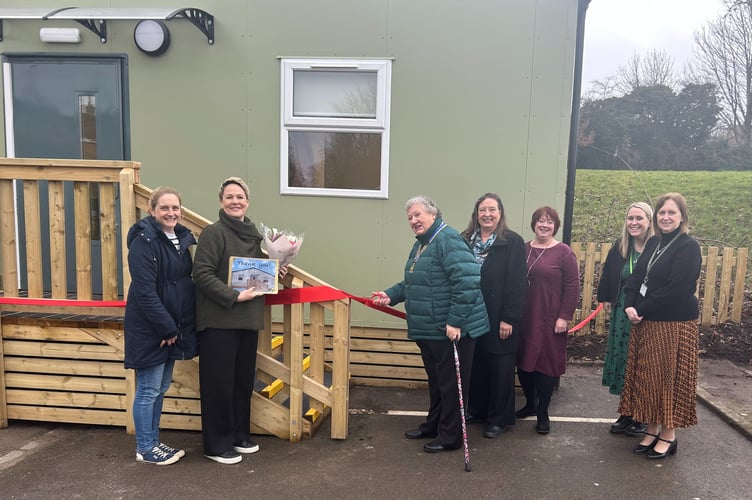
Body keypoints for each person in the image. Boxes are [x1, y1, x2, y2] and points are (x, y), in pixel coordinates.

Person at [371, 195, 489, 453]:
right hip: (431, 330)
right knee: (438, 383)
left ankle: (450, 437)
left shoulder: (448, 240)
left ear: (433, 214)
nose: (413, 220)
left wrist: (456, 321)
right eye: (410, 217)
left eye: (418, 215)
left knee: (450, 385)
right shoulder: (424, 243)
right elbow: (415, 281)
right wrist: (391, 294)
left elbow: (468, 281)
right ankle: (434, 425)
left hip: (451, 331)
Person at [193, 177, 284, 465]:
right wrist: (233, 296)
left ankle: (238, 435)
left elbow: (258, 273)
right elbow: (202, 274)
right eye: (230, 197)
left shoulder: (257, 236)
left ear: (248, 201)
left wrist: (275, 272)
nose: (235, 201)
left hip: (247, 320)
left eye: (240, 197)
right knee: (218, 385)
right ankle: (216, 444)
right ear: (221, 202)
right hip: (219, 320)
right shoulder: (213, 233)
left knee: (242, 383)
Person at [621, 193, 702, 460]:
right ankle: (652, 428)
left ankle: (669, 434)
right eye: (662, 213)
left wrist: (641, 308)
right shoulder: (655, 242)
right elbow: (635, 278)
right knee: (649, 379)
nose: (665, 218)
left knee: (668, 380)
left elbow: (677, 289)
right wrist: (629, 305)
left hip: (674, 324)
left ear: (682, 218)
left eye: (672, 213)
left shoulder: (688, 247)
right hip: (647, 322)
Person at [124, 187, 198, 465]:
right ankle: (145, 447)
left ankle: (153, 441)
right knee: (148, 389)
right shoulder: (144, 242)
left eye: (175, 208)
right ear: (151, 210)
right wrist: (167, 329)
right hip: (152, 329)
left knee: (161, 386)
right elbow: (144, 291)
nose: (171, 213)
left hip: (171, 328)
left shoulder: (179, 238)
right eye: (164, 208)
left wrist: (175, 328)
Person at [460, 193, 526, 439]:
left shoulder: (512, 242)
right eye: (482, 210)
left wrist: (509, 318)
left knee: (500, 368)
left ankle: (499, 418)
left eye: (492, 210)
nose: (487, 214)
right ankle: (476, 409)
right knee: (476, 365)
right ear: (476, 214)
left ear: (500, 213)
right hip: (471, 316)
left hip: (500, 316)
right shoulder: (465, 240)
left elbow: (517, 283)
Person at [515, 206, 580, 434]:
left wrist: (564, 316)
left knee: (545, 365)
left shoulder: (564, 253)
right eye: (540, 221)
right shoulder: (522, 250)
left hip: (550, 319)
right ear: (534, 224)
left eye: (549, 222)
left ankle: (543, 412)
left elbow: (573, 287)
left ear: (555, 226)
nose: (544, 225)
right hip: (524, 317)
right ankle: (530, 405)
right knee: (523, 363)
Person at [597, 202, 654, 437]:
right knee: (624, 360)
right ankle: (627, 411)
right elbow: (609, 272)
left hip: (647, 314)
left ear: (649, 221)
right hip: (623, 312)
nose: (634, 223)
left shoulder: (656, 248)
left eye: (639, 218)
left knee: (641, 363)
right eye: (630, 218)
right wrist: (606, 298)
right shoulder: (621, 247)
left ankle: (642, 414)